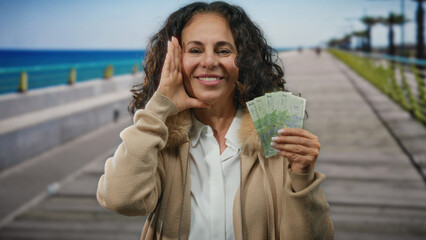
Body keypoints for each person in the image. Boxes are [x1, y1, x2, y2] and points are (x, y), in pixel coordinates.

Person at [96, 1, 333, 239]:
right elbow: (121, 200)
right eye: (195, 50)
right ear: (173, 60)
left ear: (245, 61)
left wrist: (302, 178)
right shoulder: (158, 139)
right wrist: (159, 108)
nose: (209, 62)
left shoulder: (274, 135)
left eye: (223, 51)